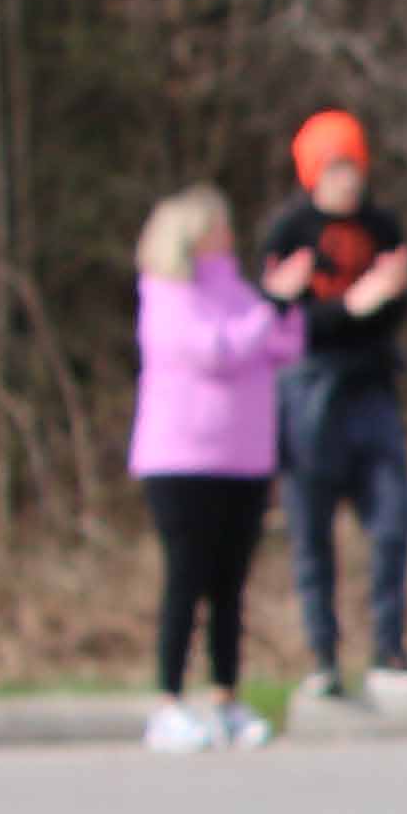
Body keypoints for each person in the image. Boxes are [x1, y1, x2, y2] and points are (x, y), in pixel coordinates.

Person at [262, 110, 407, 704]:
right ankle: (322, 658)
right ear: (314, 172)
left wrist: (387, 298)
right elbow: (280, 321)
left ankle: (389, 650)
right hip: (309, 390)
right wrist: (351, 307)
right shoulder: (289, 231)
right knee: (311, 530)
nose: (348, 180)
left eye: (355, 168)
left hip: (371, 389)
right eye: (336, 168)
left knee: (393, 518)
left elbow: (392, 309)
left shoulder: (381, 226)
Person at [128, 186, 302, 753]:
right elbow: (214, 350)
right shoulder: (166, 293)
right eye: (218, 226)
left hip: (243, 458)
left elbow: (283, 346)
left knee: (231, 586)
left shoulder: (237, 289)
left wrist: (287, 301)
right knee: (186, 579)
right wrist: (270, 306)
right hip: (181, 461)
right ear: (192, 234)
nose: (228, 234)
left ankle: (226, 697)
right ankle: (168, 703)